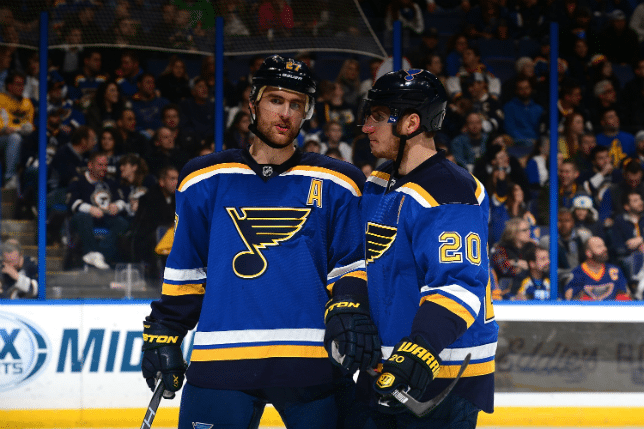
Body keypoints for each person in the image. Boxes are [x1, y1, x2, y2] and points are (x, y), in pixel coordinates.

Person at [140, 55, 368, 428]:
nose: (286, 114)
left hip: (311, 362)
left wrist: (350, 307)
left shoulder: (339, 182)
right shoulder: (203, 179)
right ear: (253, 104)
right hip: (221, 361)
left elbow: (350, 266)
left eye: (296, 104)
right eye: (276, 100)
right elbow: (187, 269)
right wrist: (165, 330)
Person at [343, 69, 497, 427]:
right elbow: (366, 261)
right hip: (387, 366)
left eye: (378, 116)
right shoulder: (379, 182)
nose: (367, 127)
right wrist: (350, 306)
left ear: (411, 123)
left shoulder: (450, 190)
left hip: (442, 372)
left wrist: (421, 347)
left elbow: (458, 284)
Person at [67, 151, 130, 270]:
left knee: (122, 223)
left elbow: (122, 200)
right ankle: (92, 253)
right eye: (100, 165)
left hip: (106, 217)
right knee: (83, 217)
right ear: (90, 165)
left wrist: (117, 206)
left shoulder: (110, 182)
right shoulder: (79, 180)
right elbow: (72, 202)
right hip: (84, 219)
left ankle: (99, 255)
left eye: (105, 165)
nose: (104, 168)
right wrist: (90, 209)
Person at [130, 165, 178, 283]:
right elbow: (148, 226)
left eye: (177, 179)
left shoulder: (177, 198)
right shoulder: (149, 198)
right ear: (162, 182)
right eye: (172, 179)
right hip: (149, 244)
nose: (176, 182)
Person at [564, 236, 631, 301]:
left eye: (604, 245)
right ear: (589, 253)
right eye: (599, 247)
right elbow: (570, 299)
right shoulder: (576, 274)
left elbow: (625, 296)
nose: (605, 249)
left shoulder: (615, 271)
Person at [0, 70, 34, 188]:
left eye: (23, 84)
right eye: (18, 84)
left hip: (20, 136)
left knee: (21, 138)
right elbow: (3, 128)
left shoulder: (27, 102)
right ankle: (10, 179)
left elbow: (29, 127)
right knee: (15, 138)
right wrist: (6, 129)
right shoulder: (1, 99)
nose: (21, 87)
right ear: (9, 86)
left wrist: (14, 129)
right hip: (2, 138)